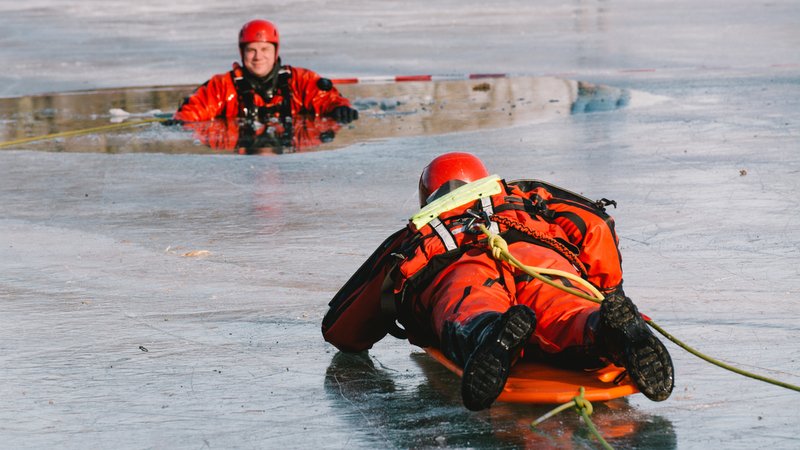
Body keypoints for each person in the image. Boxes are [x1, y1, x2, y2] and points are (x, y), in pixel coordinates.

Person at [322, 152, 674, 411]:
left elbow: (342, 329)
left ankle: (490, 335)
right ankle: (604, 329)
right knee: (567, 308)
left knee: (471, 309)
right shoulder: (524, 198)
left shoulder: (413, 236)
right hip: (538, 256)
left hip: (456, 267)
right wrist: (609, 290)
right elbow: (594, 224)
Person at [173, 19, 358, 124]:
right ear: (242, 53)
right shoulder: (223, 87)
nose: (258, 57)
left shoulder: (299, 81)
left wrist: (340, 108)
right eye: (251, 50)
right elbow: (196, 108)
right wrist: (181, 121)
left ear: (275, 52)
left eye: (264, 50)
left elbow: (325, 98)